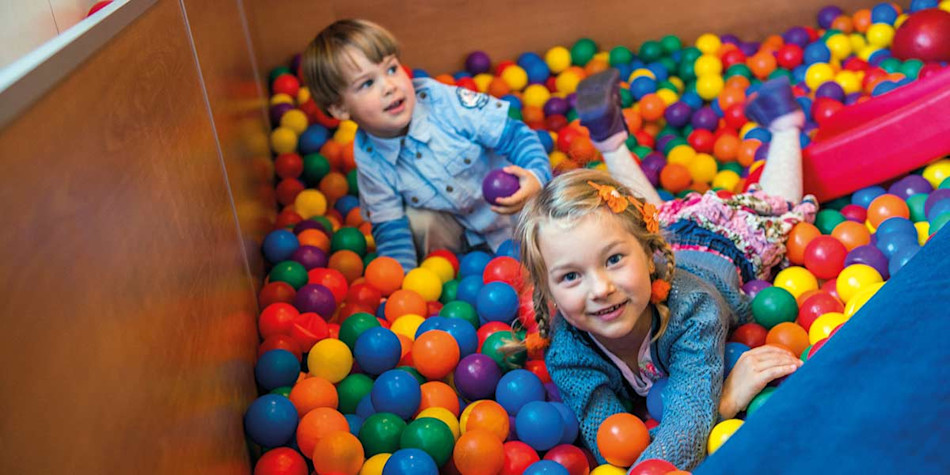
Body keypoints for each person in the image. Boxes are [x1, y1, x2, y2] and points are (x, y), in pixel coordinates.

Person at [511, 74, 817, 470]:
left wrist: (708, 409)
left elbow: (688, 421)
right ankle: (609, 140)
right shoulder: (568, 352)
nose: (601, 288)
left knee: (776, 207)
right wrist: (724, 401)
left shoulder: (693, 311)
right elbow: (609, 443)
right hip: (662, 233)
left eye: (614, 261)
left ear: (649, 253)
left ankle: (783, 124)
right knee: (629, 216)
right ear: (548, 291)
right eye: (571, 276)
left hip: (723, 246)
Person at [301, 19, 552, 271]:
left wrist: (535, 177)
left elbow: (516, 135)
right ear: (340, 108)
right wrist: (405, 285)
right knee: (417, 223)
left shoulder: (443, 102)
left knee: (558, 229)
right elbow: (391, 228)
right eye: (367, 83)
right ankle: (461, 264)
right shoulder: (369, 157)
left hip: (516, 209)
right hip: (457, 239)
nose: (389, 87)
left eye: (391, 69)